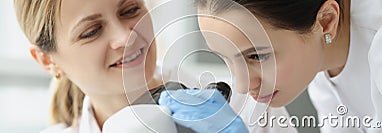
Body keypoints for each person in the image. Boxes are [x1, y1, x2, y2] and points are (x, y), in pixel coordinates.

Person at [160, 0, 382, 132]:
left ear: (326, 21)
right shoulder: (317, 59)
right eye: (225, 57)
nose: (243, 86)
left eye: (256, 57)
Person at [14, 0, 250, 132]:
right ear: (48, 61)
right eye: (91, 32)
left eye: (130, 11)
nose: (126, 38)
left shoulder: (246, 104)